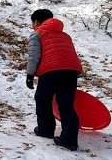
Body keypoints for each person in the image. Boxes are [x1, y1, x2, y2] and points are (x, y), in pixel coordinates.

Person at [26, 8, 82, 151]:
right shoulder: (65, 35)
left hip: (50, 70)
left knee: (42, 98)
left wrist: (30, 75)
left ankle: (45, 129)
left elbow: (33, 56)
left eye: (33, 23)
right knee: (66, 104)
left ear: (37, 22)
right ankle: (69, 140)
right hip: (71, 71)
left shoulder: (37, 34)